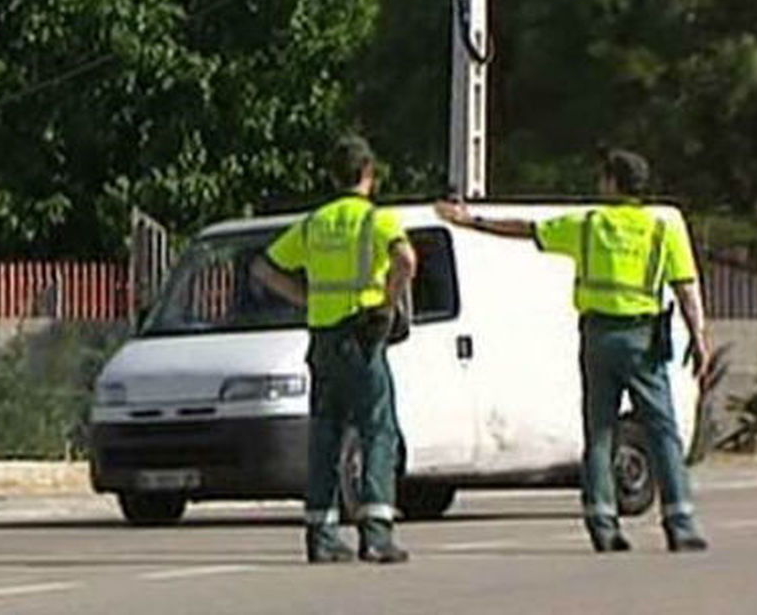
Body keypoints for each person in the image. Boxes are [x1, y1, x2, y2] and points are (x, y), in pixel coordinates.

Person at [435, 149, 709, 553]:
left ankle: (602, 522)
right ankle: (680, 522)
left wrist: (470, 220)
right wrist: (699, 337)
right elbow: (686, 286)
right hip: (642, 339)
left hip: (598, 336)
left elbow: (528, 230)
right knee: (662, 429)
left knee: (600, 431)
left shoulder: (588, 225)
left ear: (612, 183)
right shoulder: (661, 229)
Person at [251, 134, 418, 564]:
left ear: (332, 176)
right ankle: (376, 532)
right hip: (362, 335)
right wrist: (387, 304)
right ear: (369, 173)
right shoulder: (375, 220)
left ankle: (321, 534)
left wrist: (305, 298)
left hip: (323, 338)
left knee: (325, 433)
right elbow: (406, 260)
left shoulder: (314, 223)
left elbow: (263, 268)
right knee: (378, 430)